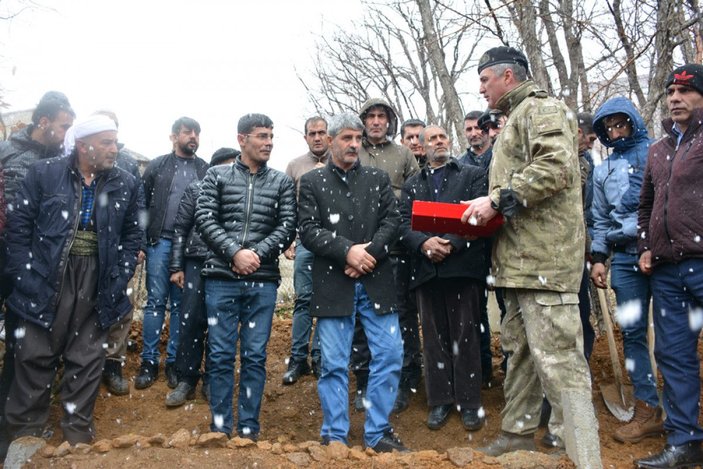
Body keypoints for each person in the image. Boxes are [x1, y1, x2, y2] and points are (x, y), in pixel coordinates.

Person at [461, 46, 594, 455]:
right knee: (520, 354)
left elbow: (556, 167)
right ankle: (517, 434)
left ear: (508, 77)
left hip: (546, 263)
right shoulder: (514, 118)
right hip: (518, 264)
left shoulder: (543, 109)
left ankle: (581, 449)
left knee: (559, 360)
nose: (481, 88)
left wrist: (498, 200)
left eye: (485, 79)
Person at [3, 114, 141, 444]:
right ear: (83, 146)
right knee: (35, 353)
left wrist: (119, 275)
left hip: (98, 278)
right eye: (106, 142)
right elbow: (18, 229)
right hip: (47, 275)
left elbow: (133, 234)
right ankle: (23, 436)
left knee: (88, 356)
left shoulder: (126, 182)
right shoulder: (45, 173)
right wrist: (26, 276)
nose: (114, 149)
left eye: (116, 142)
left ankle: (77, 439)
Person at [298, 111, 408, 452]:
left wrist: (368, 254)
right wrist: (347, 252)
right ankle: (334, 434)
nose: (354, 144)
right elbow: (308, 230)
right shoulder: (313, 183)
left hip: (376, 281)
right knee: (332, 362)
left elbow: (393, 222)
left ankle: (377, 431)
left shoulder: (376, 179)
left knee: (390, 355)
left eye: (358, 139)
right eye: (347, 138)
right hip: (334, 284)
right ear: (330, 141)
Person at [195, 113, 296, 440]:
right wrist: (234, 253)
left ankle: (249, 430)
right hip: (221, 279)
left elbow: (287, 226)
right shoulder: (216, 176)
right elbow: (205, 220)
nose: (268, 142)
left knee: (254, 356)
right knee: (221, 355)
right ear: (242, 140)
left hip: (262, 281)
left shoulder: (281, 182)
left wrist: (256, 255)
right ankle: (221, 428)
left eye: (271, 136)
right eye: (261, 136)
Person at [635, 63, 703, 469]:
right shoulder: (658, 150)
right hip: (665, 270)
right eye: (670, 93)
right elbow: (645, 205)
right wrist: (646, 245)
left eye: (685, 91)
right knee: (674, 355)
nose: (674, 99)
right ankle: (685, 441)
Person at [399, 125, 488, 432]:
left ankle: (469, 401)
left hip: (462, 266)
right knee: (434, 338)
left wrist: (450, 242)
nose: (439, 142)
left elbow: (479, 215)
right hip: (426, 269)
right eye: (432, 139)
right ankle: (440, 401)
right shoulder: (412, 184)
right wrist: (424, 244)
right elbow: (402, 222)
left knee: (465, 335)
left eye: (443, 137)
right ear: (421, 147)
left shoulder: (471, 175)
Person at [0, 91, 74, 456]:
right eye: (63, 126)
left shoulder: (60, 162)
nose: (66, 134)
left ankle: (10, 426)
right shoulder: (6, 152)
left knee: (22, 343)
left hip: (33, 264)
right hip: (4, 249)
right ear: (43, 122)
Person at [590, 97, 662, 443]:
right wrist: (599, 257)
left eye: (622, 124)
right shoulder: (603, 170)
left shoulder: (660, 153)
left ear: (634, 122)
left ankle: (682, 410)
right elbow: (600, 218)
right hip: (623, 259)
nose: (616, 132)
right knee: (632, 333)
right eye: (610, 127)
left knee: (673, 332)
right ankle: (648, 408)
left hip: (665, 256)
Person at [354, 98, 421, 414]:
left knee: (401, 316)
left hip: (396, 249)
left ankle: (401, 382)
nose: (377, 121)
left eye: (382, 116)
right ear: (364, 120)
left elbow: (416, 197)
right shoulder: (353, 151)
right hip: (357, 248)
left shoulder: (403, 154)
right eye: (372, 116)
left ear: (389, 121)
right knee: (358, 319)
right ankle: (363, 383)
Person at [137, 117, 209, 390]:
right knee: (155, 302)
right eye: (188, 132)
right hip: (159, 242)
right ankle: (149, 362)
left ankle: (175, 364)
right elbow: (142, 206)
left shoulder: (205, 169)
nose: (193, 136)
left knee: (182, 306)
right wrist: (143, 242)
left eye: (197, 132)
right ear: (173, 136)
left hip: (189, 249)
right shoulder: (157, 166)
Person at [165, 147, 240, 407]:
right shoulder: (196, 189)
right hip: (196, 261)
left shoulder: (242, 190)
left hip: (226, 264)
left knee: (221, 325)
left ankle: (213, 380)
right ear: (213, 168)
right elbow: (180, 229)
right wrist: (176, 267)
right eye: (225, 166)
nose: (230, 171)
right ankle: (187, 379)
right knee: (191, 320)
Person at [281, 116, 330, 385]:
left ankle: (321, 357)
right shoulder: (295, 165)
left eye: (322, 132)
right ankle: (298, 358)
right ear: (306, 137)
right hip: (306, 242)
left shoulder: (340, 162)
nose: (318, 137)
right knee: (303, 300)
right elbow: (287, 207)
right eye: (312, 133)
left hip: (334, 244)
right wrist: (290, 240)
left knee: (326, 303)